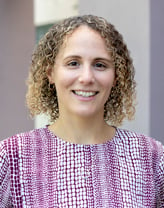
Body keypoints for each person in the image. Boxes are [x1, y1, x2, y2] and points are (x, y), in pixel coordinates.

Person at [0, 14, 163, 208]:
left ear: (116, 76)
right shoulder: (11, 157)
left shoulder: (152, 156)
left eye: (100, 65)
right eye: (73, 63)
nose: (86, 77)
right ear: (50, 72)